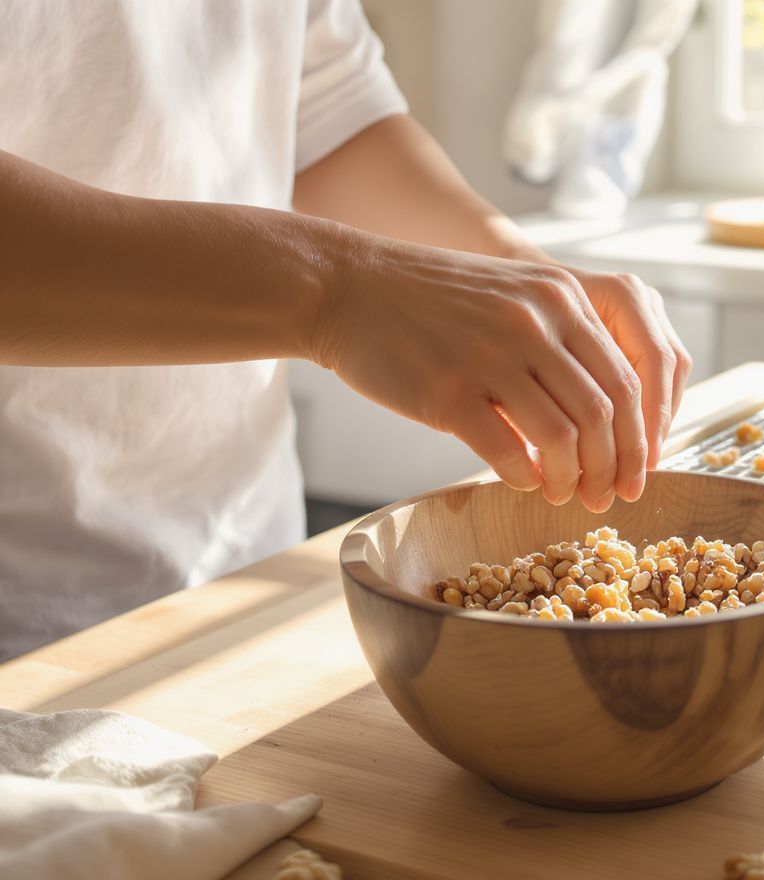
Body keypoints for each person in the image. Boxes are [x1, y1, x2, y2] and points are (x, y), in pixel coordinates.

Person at [0, 1, 691, 660]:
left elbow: (329, 112)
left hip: (239, 574)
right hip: (22, 622)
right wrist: (333, 291)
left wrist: (522, 281)